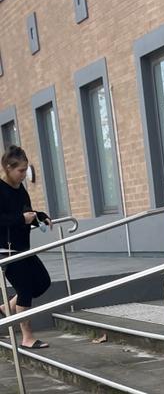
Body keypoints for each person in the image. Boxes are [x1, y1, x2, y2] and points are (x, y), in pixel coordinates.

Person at [0, 145, 52, 349]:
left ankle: (7, 307)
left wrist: (40, 217)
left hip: (23, 247)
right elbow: (7, 219)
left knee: (43, 282)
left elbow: (26, 213)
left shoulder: (20, 189)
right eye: (20, 171)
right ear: (8, 168)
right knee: (25, 290)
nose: (24, 174)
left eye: (25, 169)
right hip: (6, 250)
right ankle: (27, 337)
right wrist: (21, 218)